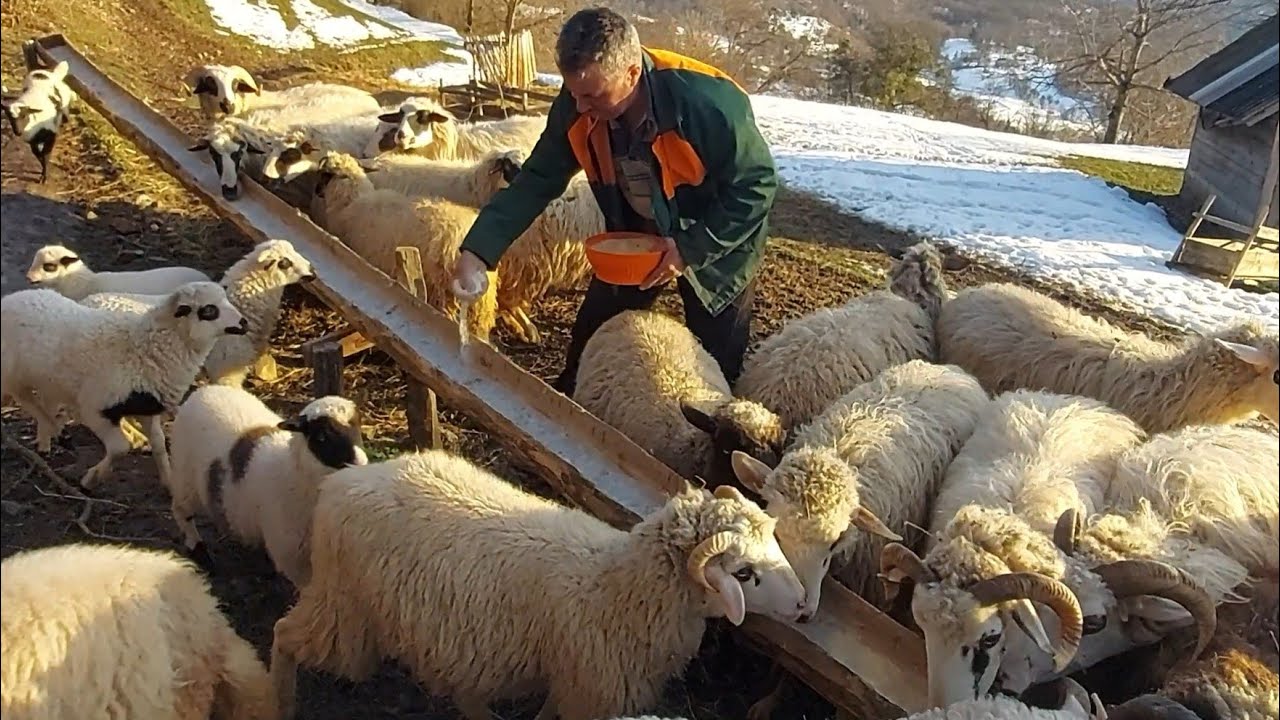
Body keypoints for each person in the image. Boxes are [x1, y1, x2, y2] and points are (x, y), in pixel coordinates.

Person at [449, 6, 779, 395]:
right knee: (593, 335)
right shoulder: (578, 102)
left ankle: (704, 445)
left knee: (716, 360)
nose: (581, 107)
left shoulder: (708, 104)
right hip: (636, 235)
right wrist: (478, 251)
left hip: (714, 239)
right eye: (573, 93)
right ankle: (568, 417)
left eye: (592, 95)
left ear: (632, 73)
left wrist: (691, 248)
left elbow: (757, 185)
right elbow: (536, 179)